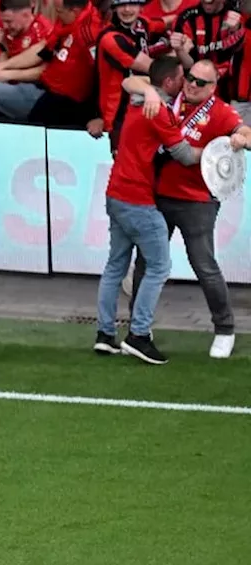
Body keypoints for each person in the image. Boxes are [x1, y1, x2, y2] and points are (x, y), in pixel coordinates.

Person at [123, 60, 251, 359]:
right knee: (146, 262)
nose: (192, 84)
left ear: (213, 88)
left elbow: (245, 131)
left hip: (198, 201)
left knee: (204, 265)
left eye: (200, 82)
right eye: (190, 78)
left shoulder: (220, 112)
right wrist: (150, 93)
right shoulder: (168, 99)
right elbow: (128, 83)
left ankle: (225, 329)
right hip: (158, 196)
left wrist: (240, 138)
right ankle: (138, 329)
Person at [92, 55, 201, 364]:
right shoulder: (159, 112)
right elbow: (184, 155)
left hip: (116, 192)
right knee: (159, 267)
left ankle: (104, 334)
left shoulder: (139, 100)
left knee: (115, 266)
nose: (186, 83)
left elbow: (130, 82)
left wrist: (150, 91)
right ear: (169, 82)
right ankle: (139, 335)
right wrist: (218, 148)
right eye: (182, 78)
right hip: (137, 200)